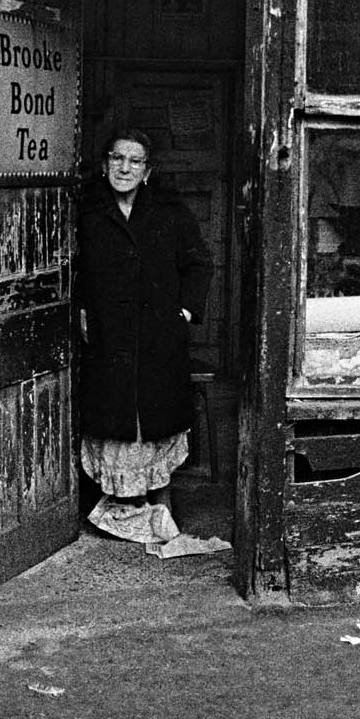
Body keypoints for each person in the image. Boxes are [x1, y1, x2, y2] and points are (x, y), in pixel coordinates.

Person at [76, 128, 213, 536]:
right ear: (105, 164)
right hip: (108, 335)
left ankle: (160, 504)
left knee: (157, 419)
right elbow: (71, 266)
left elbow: (199, 264)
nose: (125, 168)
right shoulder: (87, 209)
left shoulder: (169, 211)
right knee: (115, 419)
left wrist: (183, 313)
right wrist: (80, 310)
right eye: (118, 159)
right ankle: (117, 509)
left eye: (135, 162)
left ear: (147, 171)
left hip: (158, 336)